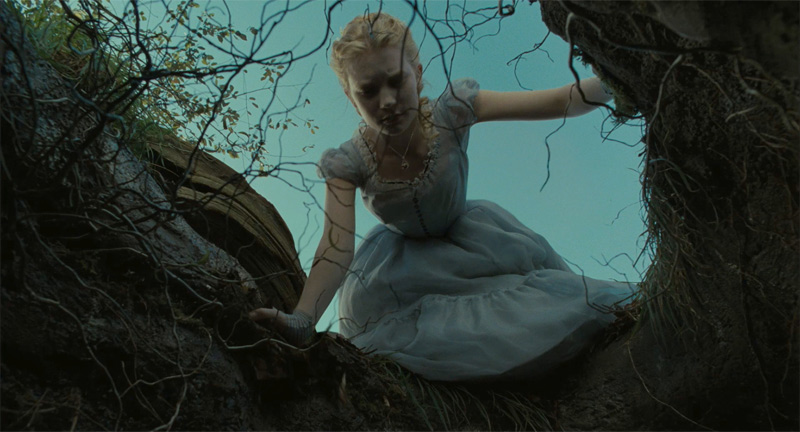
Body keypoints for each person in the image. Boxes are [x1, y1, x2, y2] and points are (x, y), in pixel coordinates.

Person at [250, 12, 636, 381]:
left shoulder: (453, 110)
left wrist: (623, 80)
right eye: (368, 91)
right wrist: (303, 319)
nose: (387, 100)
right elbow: (336, 248)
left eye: (396, 81)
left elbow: (557, 101)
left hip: (480, 248)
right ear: (351, 97)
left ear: (417, 75)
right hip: (399, 277)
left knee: (552, 306)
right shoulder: (348, 162)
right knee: (423, 337)